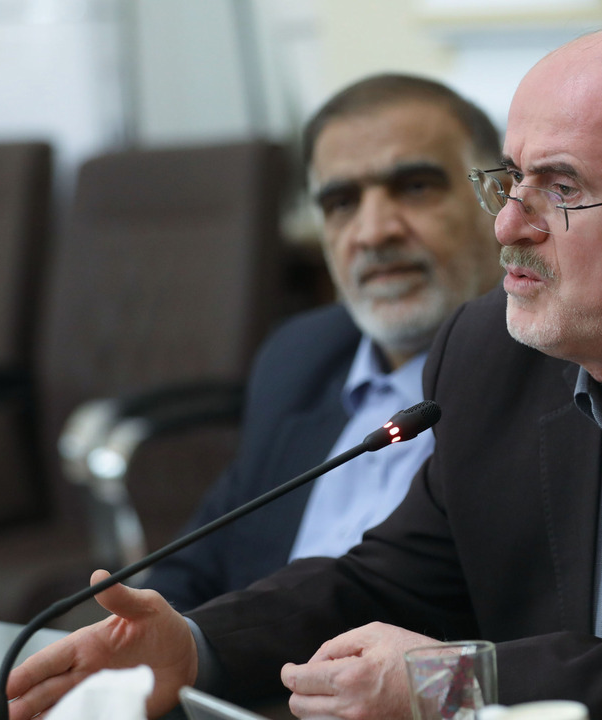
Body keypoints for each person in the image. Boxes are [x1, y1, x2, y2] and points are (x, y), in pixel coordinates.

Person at [6, 27, 602, 720]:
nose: (509, 225)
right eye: (508, 179)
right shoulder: (492, 349)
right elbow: (396, 579)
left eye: (559, 188)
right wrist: (197, 643)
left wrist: (458, 688)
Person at [141, 74, 504, 610]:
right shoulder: (299, 356)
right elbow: (199, 561)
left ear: (496, 197)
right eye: (341, 202)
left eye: (415, 187)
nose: (373, 232)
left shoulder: (552, 376)